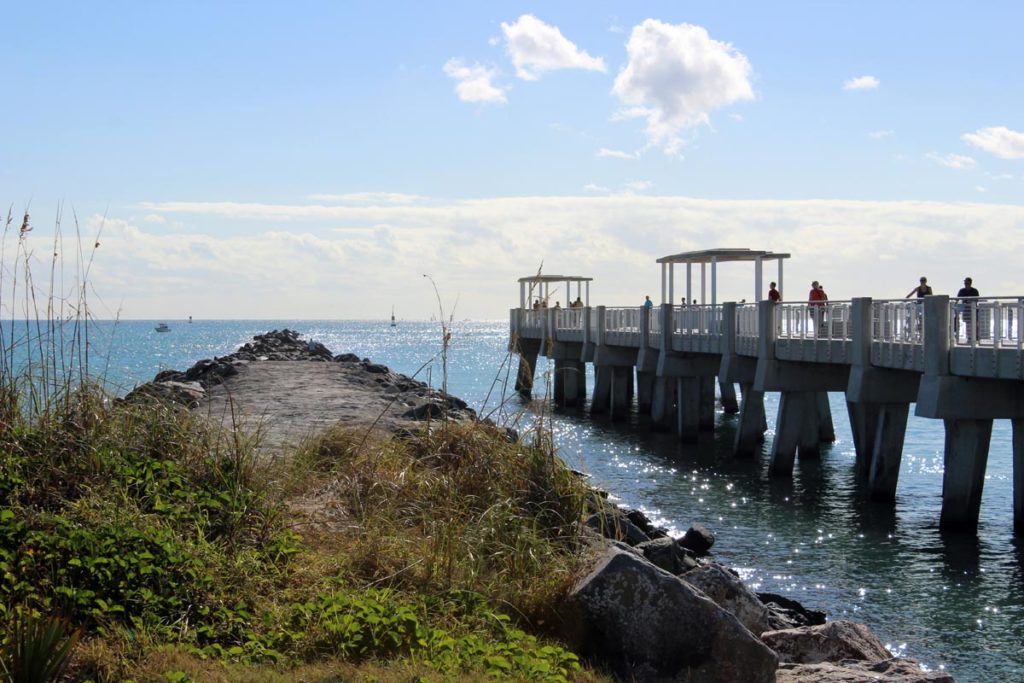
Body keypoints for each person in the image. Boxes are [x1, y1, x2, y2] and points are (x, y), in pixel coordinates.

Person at [957, 277, 980, 342]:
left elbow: (976, 300)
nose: (966, 284)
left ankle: (975, 337)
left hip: (973, 309)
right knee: (968, 323)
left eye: (967, 283)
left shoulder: (975, 291)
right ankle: (969, 337)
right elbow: (957, 299)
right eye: (965, 283)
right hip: (966, 309)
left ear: (970, 283)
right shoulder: (962, 291)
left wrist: (969, 301)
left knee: (974, 323)